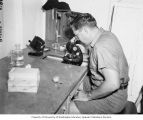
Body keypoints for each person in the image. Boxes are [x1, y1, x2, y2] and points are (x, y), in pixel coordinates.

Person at [69, 12, 130, 114]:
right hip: (111, 88)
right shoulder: (106, 34)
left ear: (85, 30)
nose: (76, 39)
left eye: (76, 35)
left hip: (112, 99)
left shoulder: (101, 47)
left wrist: (88, 96)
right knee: (74, 80)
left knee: (68, 109)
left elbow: (113, 84)